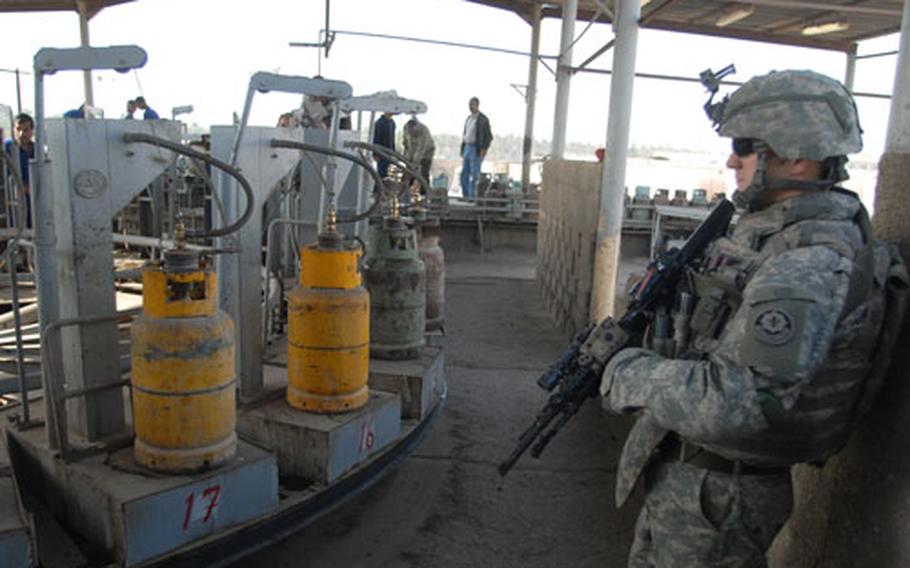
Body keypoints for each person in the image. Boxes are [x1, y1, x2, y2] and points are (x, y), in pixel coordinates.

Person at [599, 70, 908, 567]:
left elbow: (737, 402)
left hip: (721, 496)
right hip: (703, 482)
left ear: (796, 158)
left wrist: (626, 372)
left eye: (744, 146)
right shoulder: (778, 237)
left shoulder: (806, 264)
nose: (731, 160)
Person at [4, 113, 35, 228]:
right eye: (18, 129)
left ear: (32, 130)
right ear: (13, 130)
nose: (22, 134)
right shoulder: (7, 149)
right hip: (12, 200)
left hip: (33, 199)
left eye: (26, 130)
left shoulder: (38, 150)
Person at [459, 96, 492, 200]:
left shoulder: (483, 120)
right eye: (469, 105)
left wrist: (484, 149)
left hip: (476, 148)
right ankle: (466, 195)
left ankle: (473, 196)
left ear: (477, 105)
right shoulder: (468, 119)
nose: (470, 107)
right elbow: (465, 134)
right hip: (467, 147)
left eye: (472, 105)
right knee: (464, 173)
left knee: (474, 174)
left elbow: (488, 137)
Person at [402, 117, 435, 195]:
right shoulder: (406, 129)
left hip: (427, 152)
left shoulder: (423, 131)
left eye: (413, 132)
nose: (412, 133)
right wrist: (407, 159)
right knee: (408, 171)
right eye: (410, 132)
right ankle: (404, 191)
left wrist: (414, 164)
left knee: (423, 172)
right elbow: (406, 144)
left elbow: (421, 149)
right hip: (412, 151)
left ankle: (425, 193)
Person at [372, 111, 395, 179]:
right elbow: (375, 138)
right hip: (380, 153)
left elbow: (392, 139)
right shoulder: (379, 123)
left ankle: (384, 186)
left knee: (387, 172)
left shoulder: (392, 123)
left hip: (389, 152)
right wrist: (375, 153)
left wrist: (393, 152)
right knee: (381, 173)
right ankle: (379, 187)